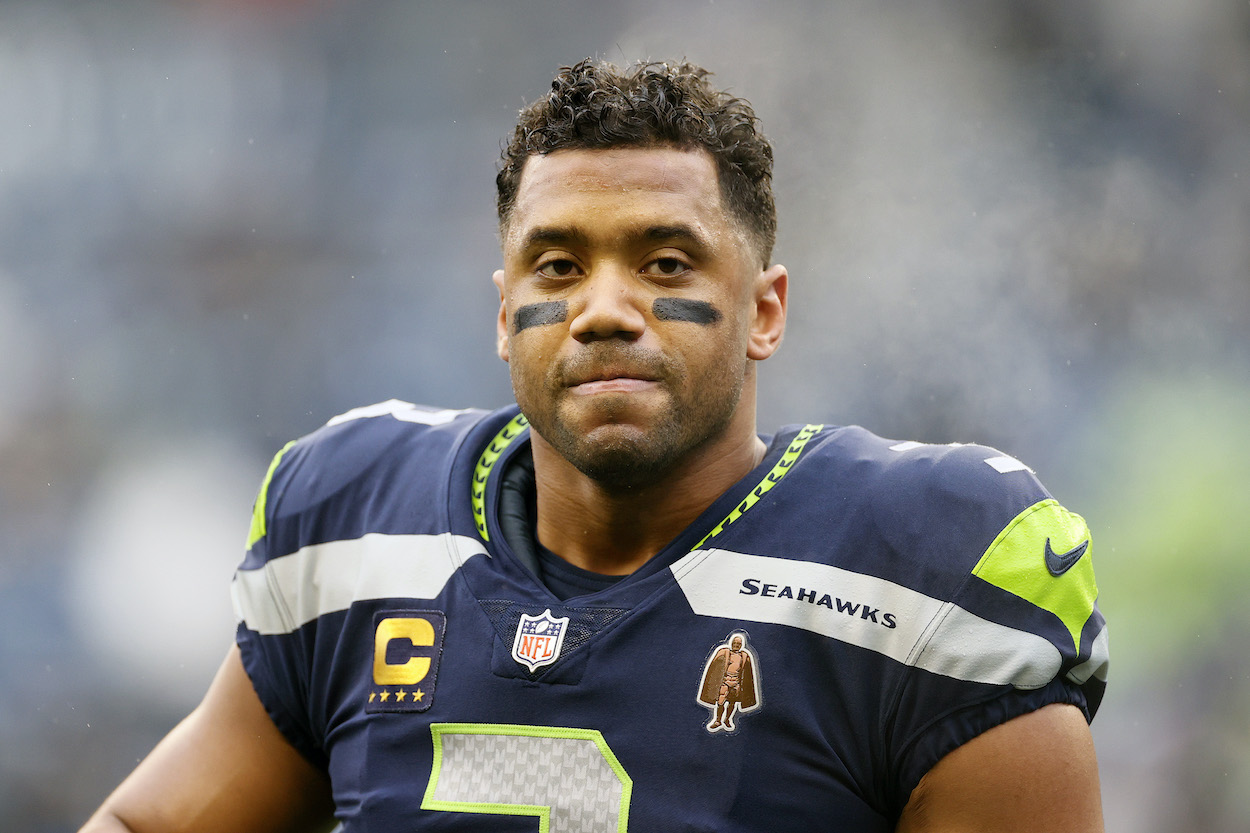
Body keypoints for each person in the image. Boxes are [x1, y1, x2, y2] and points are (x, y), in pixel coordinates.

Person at [80, 58, 1109, 832]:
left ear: (762, 308)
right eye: (558, 266)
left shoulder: (923, 571)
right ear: (503, 311)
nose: (604, 310)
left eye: (664, 263)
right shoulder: (355, 529)